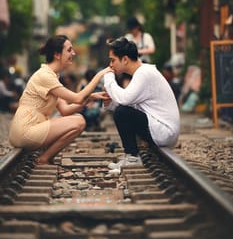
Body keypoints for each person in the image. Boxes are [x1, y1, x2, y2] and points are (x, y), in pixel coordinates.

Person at [9, 34, 112, 165]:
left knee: (76, 119)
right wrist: (99, 75)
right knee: (79, 121)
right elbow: (78, 98)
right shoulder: (45, 76)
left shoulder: (52, 76)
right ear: (57, 54)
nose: (73, 53)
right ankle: (44, 159)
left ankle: (46, 157)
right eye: (69, 50)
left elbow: (65, 110)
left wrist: (89, 98)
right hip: (26, 130)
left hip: (29, 128)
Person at [103, 37, 180, 171]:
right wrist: (110, 103)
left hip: (164, 131)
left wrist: (108, 78)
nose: (110, 65)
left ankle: (132, 157)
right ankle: (131, 156)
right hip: (162, 129)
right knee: (122, 111)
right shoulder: (143, 72)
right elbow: (130, 104)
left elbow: (124, 100)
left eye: (112, 60)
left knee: (122, 112)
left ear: (125, 59)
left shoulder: (144, 74)